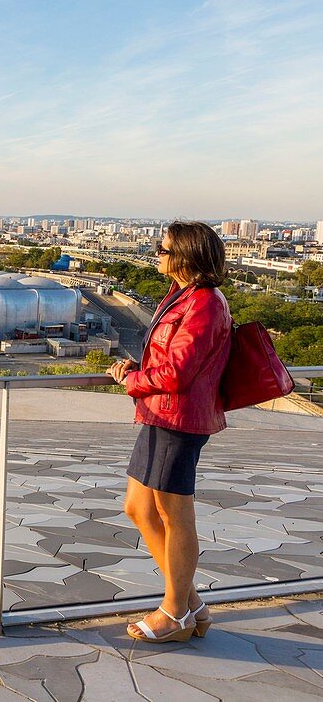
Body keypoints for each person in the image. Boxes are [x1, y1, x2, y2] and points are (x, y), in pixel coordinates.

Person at [106, 221, 231, 644]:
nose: (156, 254)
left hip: (179, 419)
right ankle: (191, 603)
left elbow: (177, 372)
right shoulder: (182, 296)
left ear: (186, 256)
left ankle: (175, 613)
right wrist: (138, 377)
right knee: (138, 508)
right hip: (159, 415)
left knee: (175, 515)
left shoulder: (205, 304)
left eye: (163, 249)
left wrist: (132, 381)